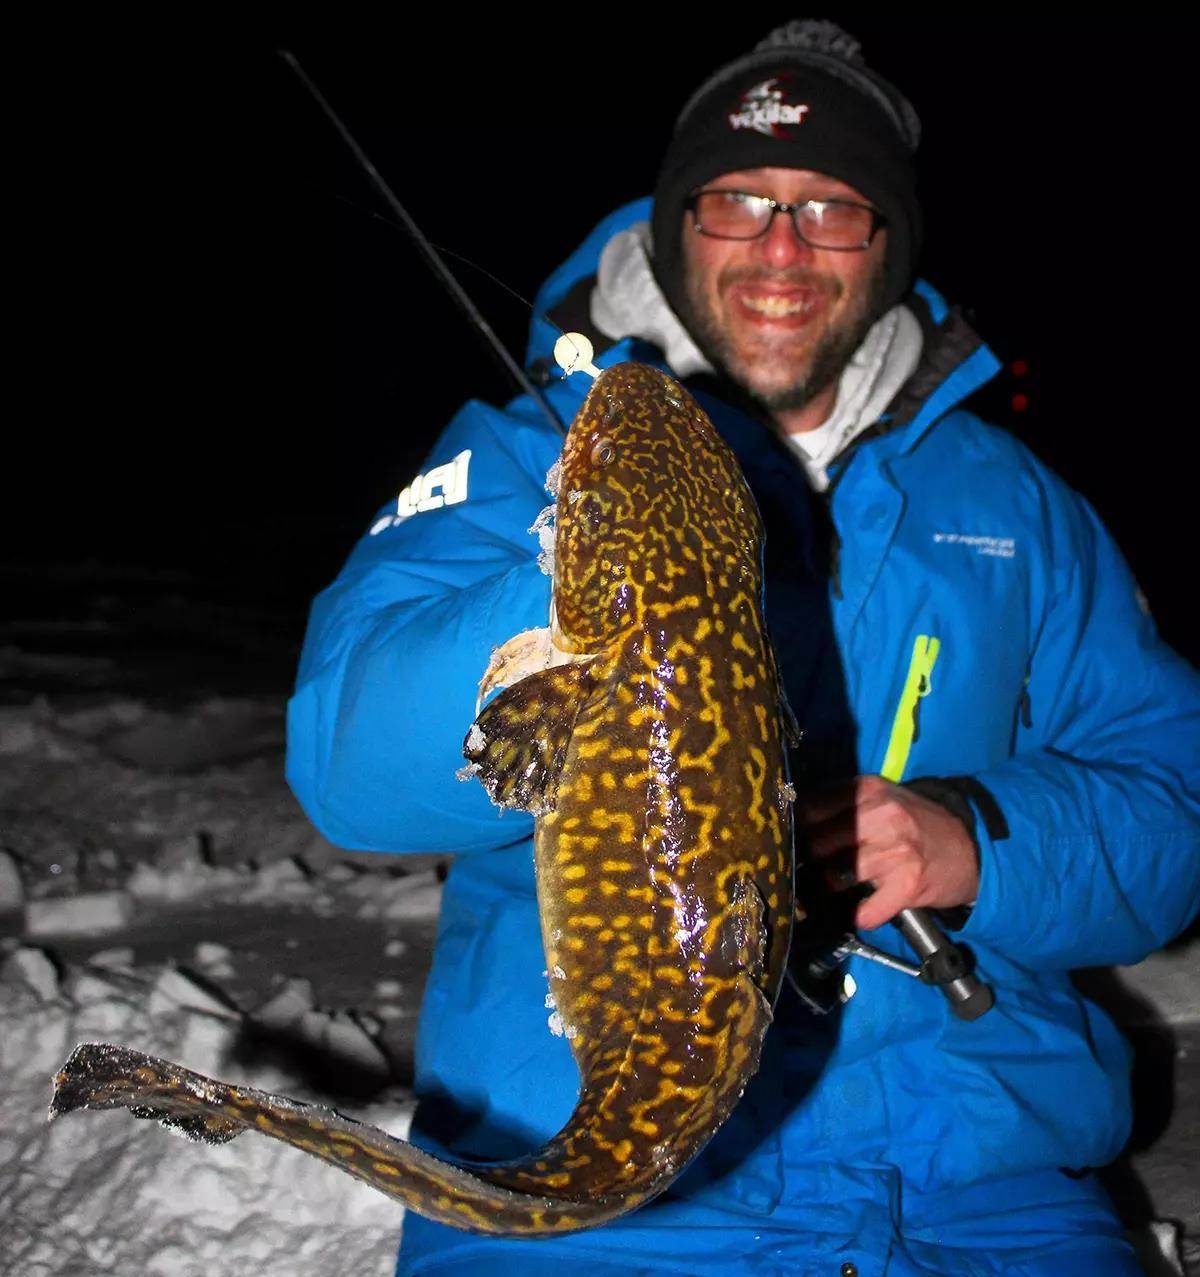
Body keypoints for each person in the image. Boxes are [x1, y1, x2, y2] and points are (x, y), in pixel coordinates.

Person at [286, 20, 1200, 1277]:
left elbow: (1174, 812)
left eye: (831, 208)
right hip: (602, 1195)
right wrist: (566, 582)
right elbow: (346, 770)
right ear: (676, 222)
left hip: (981, 1184)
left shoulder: (1018, 506)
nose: (782, 247)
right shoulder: (521, 458)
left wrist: (968, 835)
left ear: (887, 246)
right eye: (741, 201)